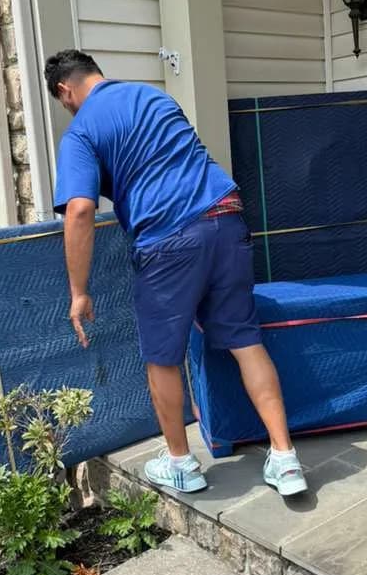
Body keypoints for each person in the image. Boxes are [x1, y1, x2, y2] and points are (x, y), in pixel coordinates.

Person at [45, 49, 307, 498]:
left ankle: (182, 465)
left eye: (62, 101)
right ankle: (285, 459)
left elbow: (81, 209)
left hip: (168, 241)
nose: (67, 108)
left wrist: (78, 290)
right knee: (246, 341)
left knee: (162, 357)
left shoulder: (82, 131)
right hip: (225, 216)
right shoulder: (154, 97)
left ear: (65, 89)